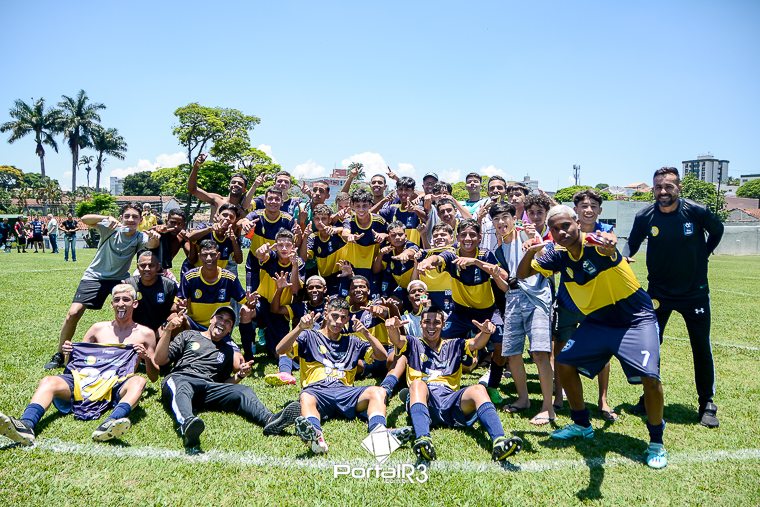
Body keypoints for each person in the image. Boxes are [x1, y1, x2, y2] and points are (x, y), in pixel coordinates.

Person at [518, 205, 668, 469]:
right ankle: (581, 424)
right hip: (598, 320)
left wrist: (609, 243)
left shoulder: (595, 244)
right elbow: (522, 274)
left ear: (577, 222)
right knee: (564, 363)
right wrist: (532, 249)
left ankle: (656, 441)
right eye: (555, 229)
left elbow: (607, 244)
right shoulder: (557, 254)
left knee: (650, 377)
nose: (562, 232)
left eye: (566, 225)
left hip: (635, 319)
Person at [623, 167, 724, 428]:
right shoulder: (645, 216)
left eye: (668, 186)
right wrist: (623, 257)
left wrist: (704, 254)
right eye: (658, 187)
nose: (663, 191)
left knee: (700, 347)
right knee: (651, 346)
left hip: (694, 293)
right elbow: (632, 243)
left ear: (679, 188)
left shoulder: (696, 211)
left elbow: (718, 230)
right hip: (659, 293)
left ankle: (707, 403)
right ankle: (648, 396)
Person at [0, 284, 157, 445]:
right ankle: (26, 424)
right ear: (112, 304)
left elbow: (153, 376)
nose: (121, 304)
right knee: (48, 381)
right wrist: (69, 353)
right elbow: (77, 363)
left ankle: (110, 422)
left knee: (139, 381)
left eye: (126, 299)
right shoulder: (97, 329)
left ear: (135, 303)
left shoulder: (146, 334)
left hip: (115, 384)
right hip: (87, 379)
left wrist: (146, 358)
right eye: (116, 300)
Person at [275, 298, 413, 455]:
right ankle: (316, 438)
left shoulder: (353, 341)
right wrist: (299, 327)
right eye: (334, 316)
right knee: (306, 397)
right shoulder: (309, 336)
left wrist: (366, 334)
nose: (339, 321)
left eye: (343, 317)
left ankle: (378, 432)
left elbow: (382, 356)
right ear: (326, 315)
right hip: (317, 391)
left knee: (378, 391)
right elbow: (280, 350)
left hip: (345, 392)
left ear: (348, 319)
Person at [386, 308, 523, 462]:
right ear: (421, 324)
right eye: (427, 322)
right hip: (424, 399)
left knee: (478, 389)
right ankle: (423, 439)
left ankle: (499, 441)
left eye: (436, 322)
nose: (431, 326)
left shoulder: (455, 344)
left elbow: (476, 343)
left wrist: (485, 332)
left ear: (443, 325)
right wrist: (392, 328)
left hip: (450, 399)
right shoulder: (413, 342)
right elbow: (397, 340)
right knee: (418, 384)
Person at [155, 306, 301, 448]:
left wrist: (239, 375)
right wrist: (168, 330)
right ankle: (188, 423)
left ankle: (269, 419)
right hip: (182, 378)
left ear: (230, 329)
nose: (222, 323)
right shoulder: (189, 335)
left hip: (207, 389)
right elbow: (160, 360)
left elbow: (223, 383)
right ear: (211, 319)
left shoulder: (227, 351)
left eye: (228, 322)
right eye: (220, 318)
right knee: (182, 387)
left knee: (243, 391)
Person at [45, 204, 160, 370]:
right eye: (127, 216)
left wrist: (155, 237)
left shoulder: (139, 237)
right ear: (121, 218)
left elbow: (152, 245)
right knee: (73, 313)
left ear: (140, 220)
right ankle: (60, 354)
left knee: (135, 308)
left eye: (135, 217)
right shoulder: (110, 228)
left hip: (120, 279)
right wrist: (105, 218)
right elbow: (84, 219)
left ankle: (137, 353)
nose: (130, 219)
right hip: (95, 276)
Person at [416, 219, 509, 404]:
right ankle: (435, 381)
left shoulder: (485, 254)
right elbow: (438, 258)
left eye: (472, 235)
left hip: (487, 312)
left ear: (480, 238)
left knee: (501, 345)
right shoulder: (452, 253)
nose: (468, 238)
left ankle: (492, 386)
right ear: (457, 237)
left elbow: (503, 276)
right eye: (463, 235)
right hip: (460, 312)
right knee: (440, 341)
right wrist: (427, 261)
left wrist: (475, 262)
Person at [552, 189, 616, 420]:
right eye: (584, 206)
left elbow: (612, 250)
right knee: (560, 348)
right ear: (576, 210)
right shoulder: (567, 229)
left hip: (597, 302)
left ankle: (603, 400)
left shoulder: (606, 231)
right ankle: (559, 395)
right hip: (568, 300)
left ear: (600, 210)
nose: (588, 210)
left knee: (603, 351)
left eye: (593, 206)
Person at [490, 202, 555, 424]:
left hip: (537, 298)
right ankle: (523, 399)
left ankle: (548, 407)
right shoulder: (498, 251)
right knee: (512, 353)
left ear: (513, 218)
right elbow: (506, 286)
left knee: (539, 352)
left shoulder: (527, 234)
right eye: (496, 219)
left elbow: (547, 259)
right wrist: (496, 275)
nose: (501, 223)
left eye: (505, 217)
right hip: (513, 299)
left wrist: (534, 239)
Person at [123, 250, 177, 333]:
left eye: (151, 265)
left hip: (161, 330)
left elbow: (174, 312)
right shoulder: (129, 284)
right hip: (134, 330)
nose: (147, 269)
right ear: (137, 267)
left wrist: (164, 328)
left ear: (158, 267)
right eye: (143, 265)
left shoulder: (169, 285)